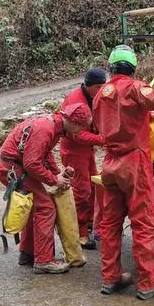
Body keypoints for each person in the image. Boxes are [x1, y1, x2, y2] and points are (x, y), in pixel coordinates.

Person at [92, 45, 154, 299]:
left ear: (111, 67)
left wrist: (147, 114)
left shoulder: (101, 93)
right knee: (144, 224)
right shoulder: (133, 87)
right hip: (134, 163)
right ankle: (147, 282)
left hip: (110, 163)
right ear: (132, 67)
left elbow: (115, 117)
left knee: (110, 223)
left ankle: (111, 278)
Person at [0, 103, 93, 274]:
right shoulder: (46, 129)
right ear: (74, 122)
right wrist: (55, 180)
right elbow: (31, 164)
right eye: (81, 127)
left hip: (15, 167)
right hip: (13, 170)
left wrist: (58, 173)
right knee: (46, 208)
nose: (80, 131)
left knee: (35, 207)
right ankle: (44, 260)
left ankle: (27, 253)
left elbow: (44, 154)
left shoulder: (54, 126)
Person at [60, 68, 107, 250]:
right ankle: (80, 233)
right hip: (73, 152)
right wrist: (102, 139)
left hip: (86, 150)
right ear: (89, 86)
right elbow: (76, 135)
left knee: (95, 188)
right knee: (82, 192)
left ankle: (89, 223)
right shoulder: (75, 101)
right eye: (99, 87)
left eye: (104, 86)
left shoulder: (93, 96)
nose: (102, 90)